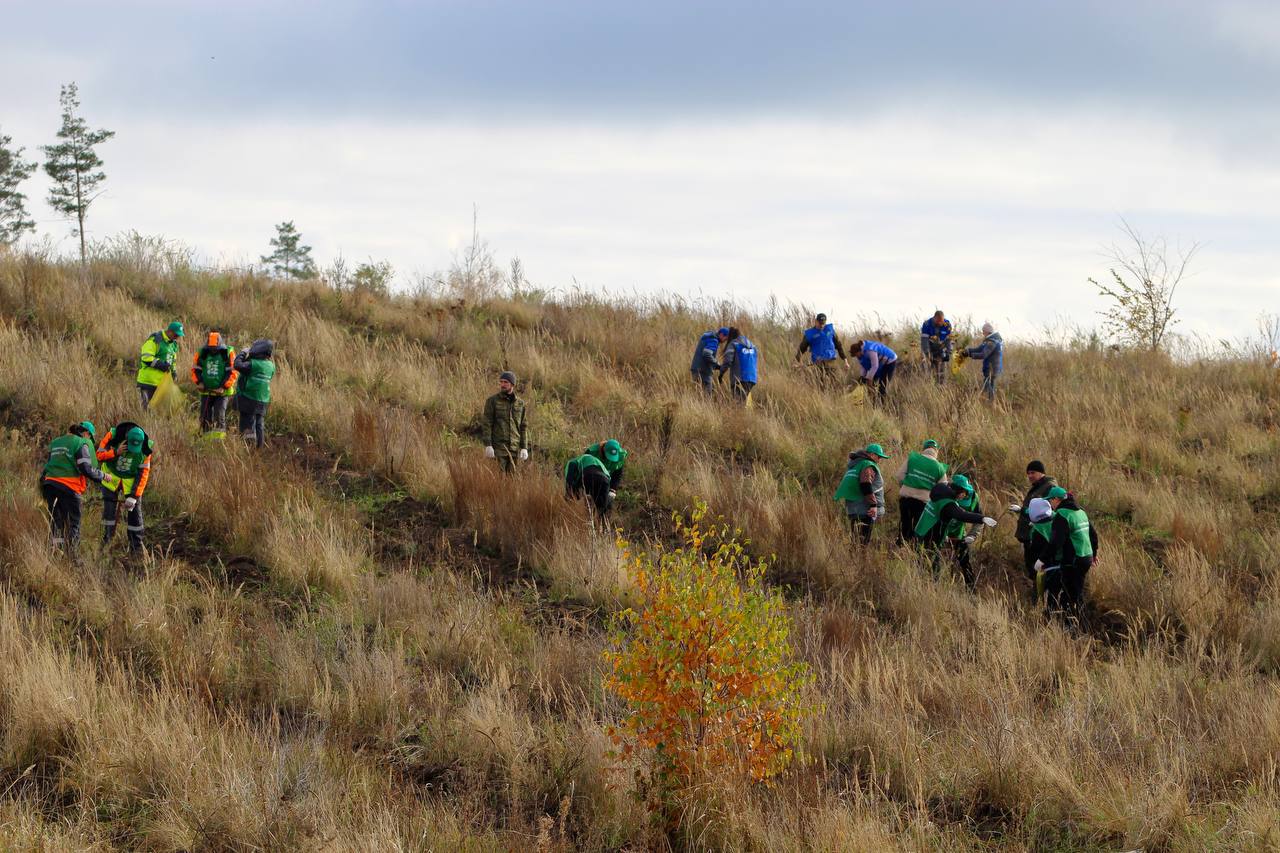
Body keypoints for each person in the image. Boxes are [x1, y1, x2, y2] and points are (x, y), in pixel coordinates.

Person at [39, 421, 115, 558]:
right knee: (74, 523)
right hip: (69, 487)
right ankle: (72, 557)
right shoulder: (80, 443)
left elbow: (48, 466)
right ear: (86, 434)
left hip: (49, 485)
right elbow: (85, 469)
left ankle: (56, 555)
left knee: (56, 523)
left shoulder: (56, 442)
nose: (89, 442)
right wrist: (103, 476)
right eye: (90, 438)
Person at [913, 481, 998, 583]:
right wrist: (982, 518)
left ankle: (922, 585)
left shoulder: (939, 495)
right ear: (959, 491)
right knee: (931, 571)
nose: (964, 496)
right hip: (930, 537)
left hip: (921, 532)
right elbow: (961, 515)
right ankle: (928, 589)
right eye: (964, 493)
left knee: (923, 566)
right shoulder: (948, 504)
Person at [1039, 486, 1099, 621]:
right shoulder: (1080, 512)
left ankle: (1074, 628)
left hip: (1073, 560)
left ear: (1056, 499)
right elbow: (1093, 535)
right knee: (1076, 592)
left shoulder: (1062, 515)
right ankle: (1079, 623)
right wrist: (1094, 554)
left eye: (1050, 501)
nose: (1050, 504)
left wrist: (1042, 559)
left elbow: (1056, 542)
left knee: (1069, 596)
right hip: (1086, 558)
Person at [97, 423, 154, 554]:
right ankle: (105, 543)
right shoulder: (112, 435)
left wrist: (134, 496)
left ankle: (137, 547)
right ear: (126, 438)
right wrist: (115, 452)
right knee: (109, 513)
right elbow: (99, 456)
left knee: (135, 513)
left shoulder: (147, 448)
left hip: (130, 481)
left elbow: (143, 474)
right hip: (111, 477)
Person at [1007, 460, 1057, 583]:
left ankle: (1040, 595)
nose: (1029, 476)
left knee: (1038, 569)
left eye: (1032, 472)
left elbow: (1047, 512)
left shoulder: (1049, 487)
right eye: (1028, 473)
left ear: (1041, 473)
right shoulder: (1038, 486)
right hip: (1030, 535)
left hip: (1038, 535)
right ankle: (1036, 592)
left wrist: (1023, 511)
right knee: (1031, 567)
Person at [833, 442, 891, 544]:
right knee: (862, 542)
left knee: (856, 540)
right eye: (879, 457)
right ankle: (859, 558)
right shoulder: (868, 465)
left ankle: (853, 558)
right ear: (872, 455)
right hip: (865, 510)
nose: (879, 460)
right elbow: (865, 484)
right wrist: (873, 504)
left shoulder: (855, 465)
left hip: (853, 508)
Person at [896, 439, 949, 543]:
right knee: (918, 528)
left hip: (906, 499)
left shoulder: (913, 458)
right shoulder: (940, 467)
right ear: (936, 451)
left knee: (905, 524)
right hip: (923, 502)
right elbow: (942, 489)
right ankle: (914, 550)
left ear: (924, 448)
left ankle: (901, 546)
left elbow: (899, 476)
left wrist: (906, 486)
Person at [191, 329, 238, 439]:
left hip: (222, 393)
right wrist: (199, 382)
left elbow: (233, 372)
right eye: (211, 349)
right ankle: (205, 439)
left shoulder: (228, 352)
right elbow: (195, 369)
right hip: (206, 391)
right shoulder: (202, 352)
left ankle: (218, 440)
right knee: (204, 417)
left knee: (219, 416)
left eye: (215, 349)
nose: (213, 351)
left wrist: (223, 387)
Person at [942, 473, 984, 585]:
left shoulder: (973, 497)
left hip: (959, 535)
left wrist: (972, 535)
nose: (961, 498)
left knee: (965, 563)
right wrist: (940, 533)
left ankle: (971, 591)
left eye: (964, 496)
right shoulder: (942, 493)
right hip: (941, 533)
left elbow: (979, 520)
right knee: (938, 561)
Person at [482, 370, 529, 471]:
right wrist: (488, 445)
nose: (502, 385)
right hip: (498, 449)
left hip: (515, 449)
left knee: (512, 480)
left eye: (505, 382)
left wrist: (524, 447)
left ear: (512, 384)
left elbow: (523, 426)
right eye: (501, 382)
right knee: (498, 480)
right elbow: (487, 423)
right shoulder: (492, 401)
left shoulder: (520, 404)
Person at [136, 321, 185, 410]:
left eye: (179, 336)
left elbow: (172, 360)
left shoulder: (173, 344)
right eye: (176, 335)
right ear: (169, 331)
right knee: (146, 411)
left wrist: (173, 372)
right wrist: (161, 365)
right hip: (148, 382)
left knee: (159, 412)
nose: (177, 337)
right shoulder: (155, 340)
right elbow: (146, 358)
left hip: (162, 384)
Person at [794, 313, 848, 378]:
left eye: (823, 323)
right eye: (820, 323)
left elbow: (839, 345)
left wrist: (845, 361)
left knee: (833, 385)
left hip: (831, 363)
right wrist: (797, 362)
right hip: (817, 365)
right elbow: (801, 349)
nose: (822, 326)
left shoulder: (830, 330)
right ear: (816, 321)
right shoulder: (810, 334)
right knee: (819, 385)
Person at [1024, 498, 1056, 601]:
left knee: (1041, 594)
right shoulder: (1058, 518)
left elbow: (1033, 552)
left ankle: (1040, 610)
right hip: (1064, 563)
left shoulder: (1037, 531)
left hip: (1044, 567)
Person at [719, 327, 759, 404]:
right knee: (742, 401)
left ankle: (738, 414)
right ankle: (742, 414)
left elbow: (727, 361)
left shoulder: (734, 344)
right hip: (752, 378)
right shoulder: (753, 346)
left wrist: (721, 374)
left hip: (739, 378)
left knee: (737, 403)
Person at [965, 322, 1004, 400]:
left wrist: (970, 355)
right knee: (990, 384)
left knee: (987, 384)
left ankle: (991, 401)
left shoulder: (992, 342)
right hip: (992, 368)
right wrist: (967, 351)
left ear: (987, 331)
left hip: (992, 368)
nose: (982, 333)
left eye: (983, 331)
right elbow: (978, 349)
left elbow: (983, 354)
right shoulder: (989, 340)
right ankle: (991, 401)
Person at [584, 439, 628, 503]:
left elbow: (617, 474)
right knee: (591, 500)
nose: (610, 459)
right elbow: (585, 471)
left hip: (607, 480)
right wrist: (587, 489)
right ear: (604, 450)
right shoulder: (592, 453)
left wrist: (613, 489)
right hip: (593, 478)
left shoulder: (621, 456)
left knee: (606, 502)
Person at [920, 310, 954, 385]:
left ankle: (941, 387)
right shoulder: (926, 324)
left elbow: (949, 339)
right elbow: (924, 341)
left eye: (942, 321)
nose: (940, 323)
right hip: (930, 348)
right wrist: (927, 354)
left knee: (942, 371)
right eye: (938, 321)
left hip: (941, 349)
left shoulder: (947, 324)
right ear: (934, 318)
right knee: (927, 369)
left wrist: (949, 351)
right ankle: (928, 386)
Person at [691, 328, 727, 394]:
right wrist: (716, 364)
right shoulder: (714, 340)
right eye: (725, 338)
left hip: (696, 370)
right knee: (707, 396)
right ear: (721, 335)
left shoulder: (707, 338)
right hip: (703, 372)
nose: (725, 340)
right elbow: (706, 353)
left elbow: (705, 357)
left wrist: (716, 367)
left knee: (699, 395)